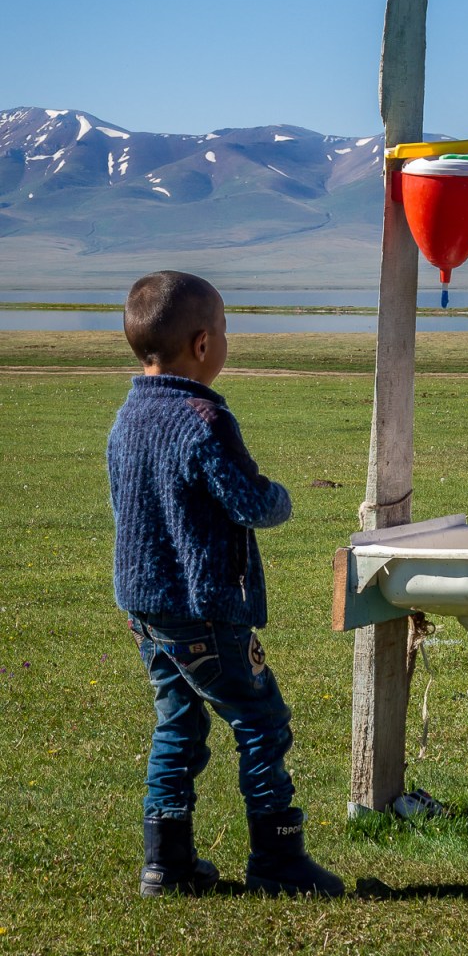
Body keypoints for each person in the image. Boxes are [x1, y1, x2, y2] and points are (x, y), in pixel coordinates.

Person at [107, 270, 344, 897]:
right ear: (205, 344)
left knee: (177, 724)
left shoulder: (127, 415)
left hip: (145, 608)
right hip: (204, 606)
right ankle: (278, 860)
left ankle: (167, 862)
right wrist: (281, 498)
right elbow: (247, 502)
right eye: (227, 330)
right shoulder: (202, 417)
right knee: (261, 722)